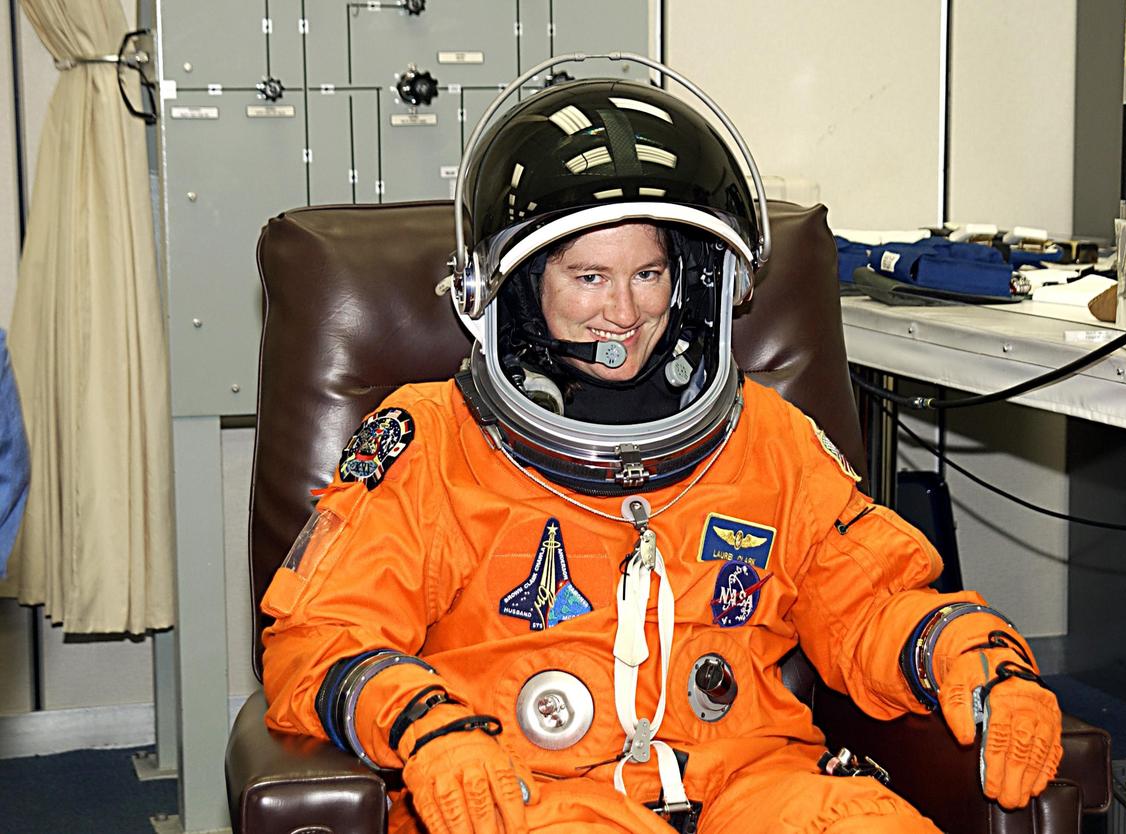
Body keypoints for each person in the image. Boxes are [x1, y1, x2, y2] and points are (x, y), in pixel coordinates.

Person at [260, 72, 1062, 834]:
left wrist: (972, 655)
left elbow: (871, 603)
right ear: (516, 285)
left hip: (750, 779)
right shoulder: (435, 441)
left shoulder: (767, 440)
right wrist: (423, 725)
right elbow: (320, 636)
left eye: (647, 273)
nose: (623, 311)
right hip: (537, 792)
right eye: (588, 277)